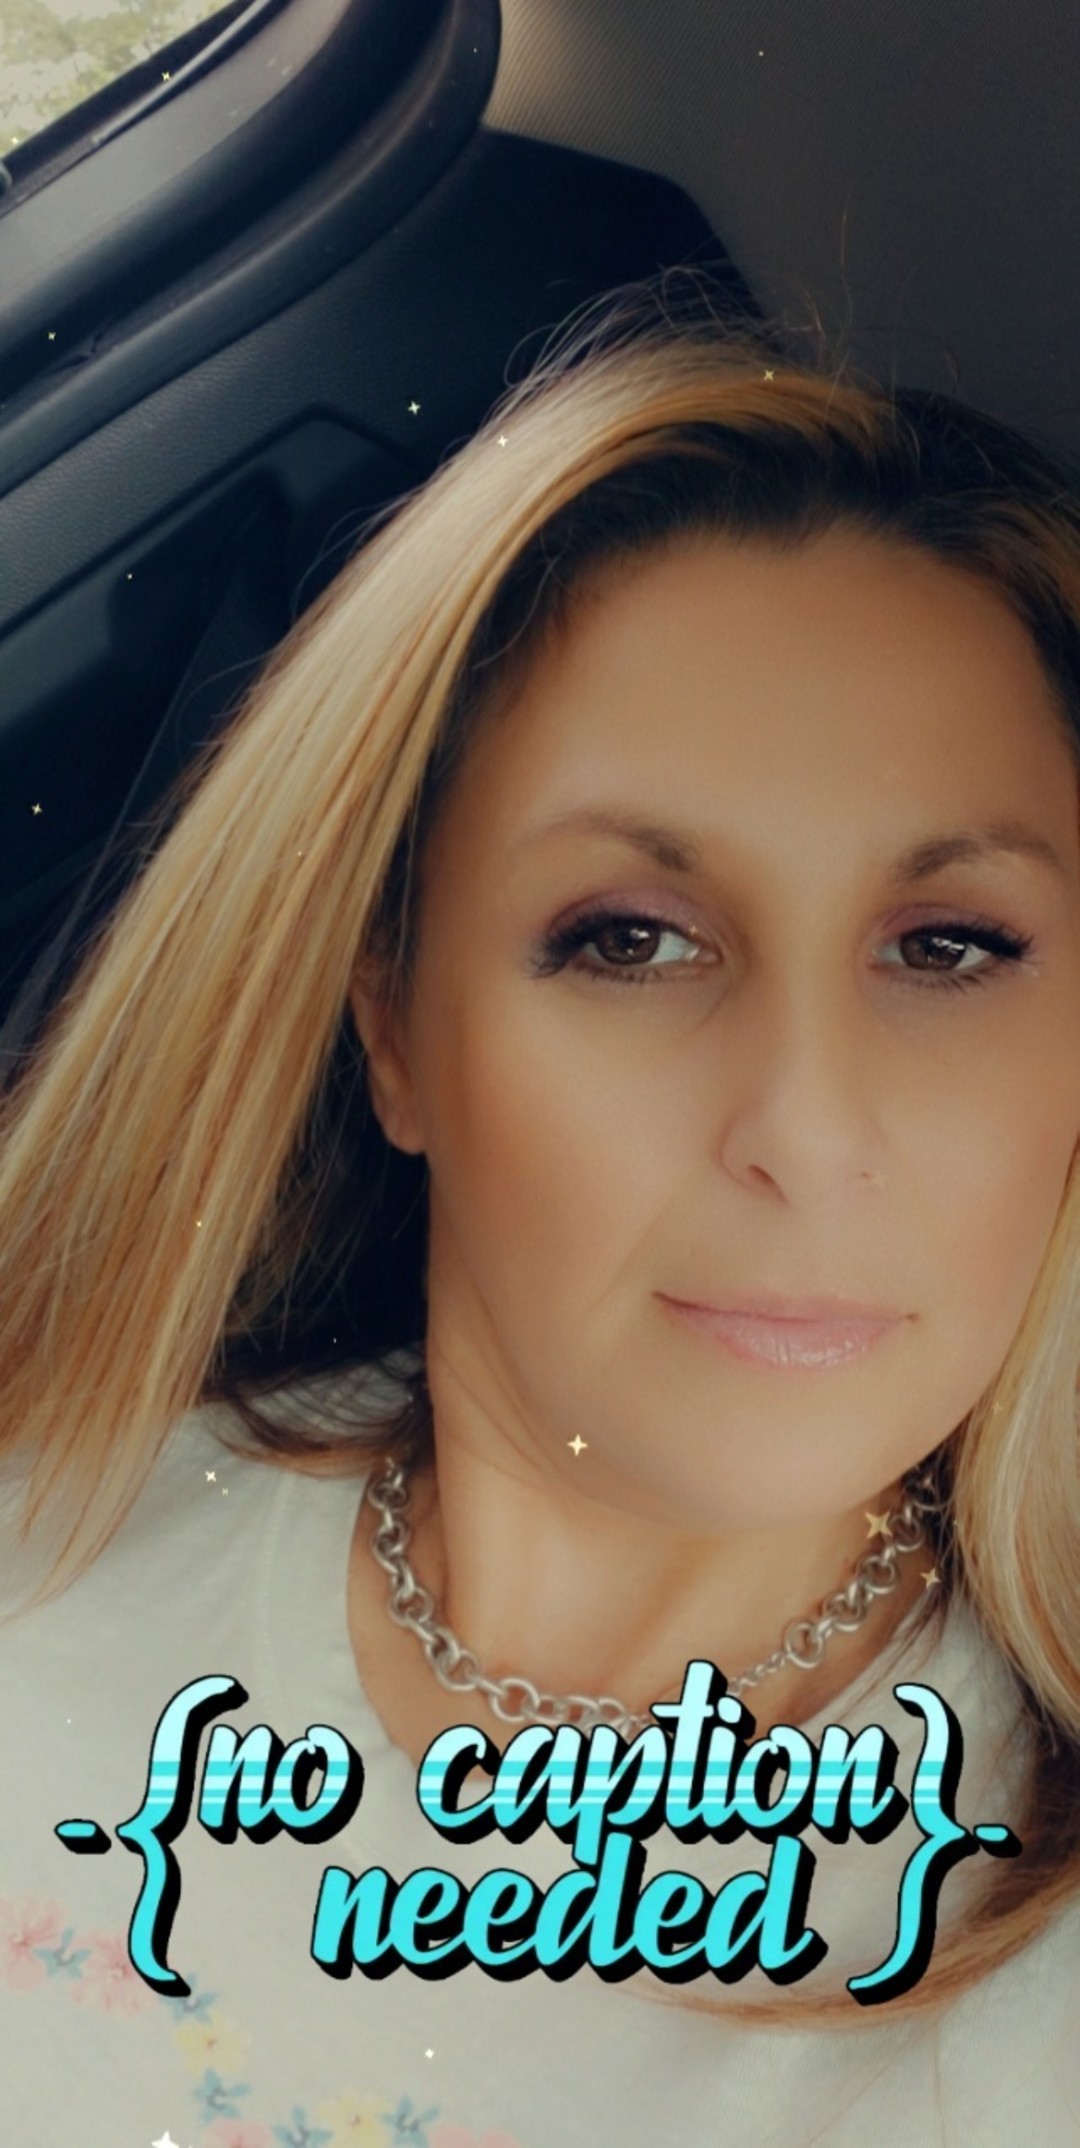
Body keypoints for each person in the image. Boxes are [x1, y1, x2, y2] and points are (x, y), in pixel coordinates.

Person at [0, 275, 1077, 2147]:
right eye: (632, 940)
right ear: (393, 1024)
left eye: (950, 947)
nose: (807, 1128)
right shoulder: (45, 1528)